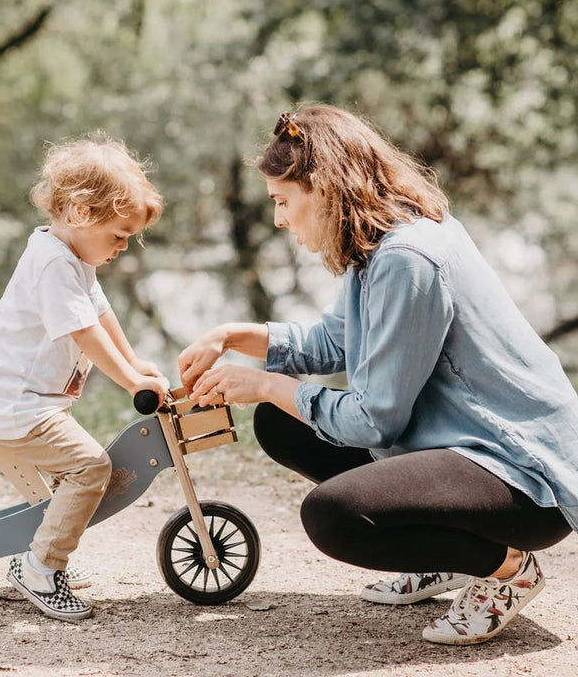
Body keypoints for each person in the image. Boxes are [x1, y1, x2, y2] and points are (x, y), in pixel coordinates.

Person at [179, 105, 578, 646]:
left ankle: (505, 569)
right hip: (458, 446)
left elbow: (375, 419)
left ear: (322, 189)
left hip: (522, 477)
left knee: (334, 517)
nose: (278, 219)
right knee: (280, 420)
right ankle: (443, 552)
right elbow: (330, 343)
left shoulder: (408, 259)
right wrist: (234, 335)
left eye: (282, 201)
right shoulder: (377, 243)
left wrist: (266, 384)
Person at [0, 134, 169, 622]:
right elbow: (81, 331)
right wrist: (128, 381)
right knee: (91, 468)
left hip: (28, 403)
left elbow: (99, 314)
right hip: (14, 406)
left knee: (78, 470)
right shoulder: (54, 263)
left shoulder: (72, 258)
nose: (123, 246)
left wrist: (133, 360)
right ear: (81, 212)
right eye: (119, 234)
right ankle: (39, 567)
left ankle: (43, 548)